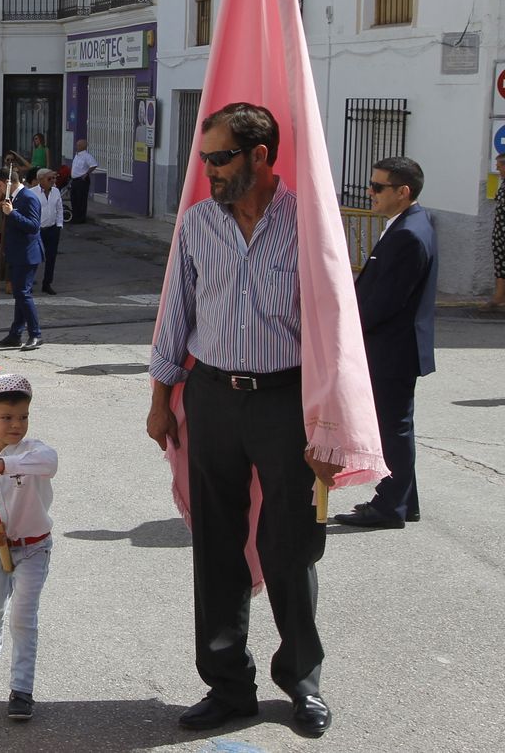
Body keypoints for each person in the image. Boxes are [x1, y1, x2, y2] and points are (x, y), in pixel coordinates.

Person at [146, 102, 336, 737]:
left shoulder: (308, 223)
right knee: (218, 545)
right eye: (203, 160)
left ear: (260, 155)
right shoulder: (199, 224)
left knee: (291, 546)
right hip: (214, 397)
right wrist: (159, 397)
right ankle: (228, 686)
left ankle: (301, 680)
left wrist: (331, 422)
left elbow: (333, 330)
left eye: (219, 159)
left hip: (286, 401)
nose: (208, 173)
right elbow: (176, 310)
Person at [334, 157, 436, 530]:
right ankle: (403, 501)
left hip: (392, 348)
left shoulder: (408, 233)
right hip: (397, 346)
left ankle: (390, 506)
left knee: (392, 428)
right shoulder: (409, 223)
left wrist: (345, 333)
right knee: (395, 426)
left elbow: (385, 300)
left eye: (377, 187)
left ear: (402, 192)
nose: (369, 193)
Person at [0, 372, 59, 723]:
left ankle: (22, 689)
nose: (16, 425)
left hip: (34, 548)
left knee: (24, 618)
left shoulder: (33, 451)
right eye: (6, 417)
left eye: (23, 417)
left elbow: (50, 463)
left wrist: (3, 465)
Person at [0, 169, 43, 351]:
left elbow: (34, 226)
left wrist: (12, 213)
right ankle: (15, 334)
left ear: (7, 182)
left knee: (23, 293)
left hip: (27, 254)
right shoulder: (13, 198)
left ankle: (35, 334)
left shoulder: (28, 197)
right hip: (16, 253)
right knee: (19, 294)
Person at [37, 169, 64, 295]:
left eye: (54, 178)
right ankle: (29, 282)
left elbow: (59, 209)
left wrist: (59, 225)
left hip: (52, 229)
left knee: (51, 257)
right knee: (34, 257)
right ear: (41, 179)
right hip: (37, 230)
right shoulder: (33, 193)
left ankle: (47, 283)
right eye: (50, 179)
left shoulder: (56, 191)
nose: (53, 181)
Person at [69, 138, 98, 224]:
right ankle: (75, 216)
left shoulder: (87, 156)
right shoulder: (77, 155)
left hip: (82, 180)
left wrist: (86, 174)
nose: (76, 146)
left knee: (81, 200)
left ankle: (80, 218)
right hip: (74, 180)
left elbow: (94, 165)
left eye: (79, 145)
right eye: (77, 145)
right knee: (74, 199)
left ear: (83, 146)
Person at [490, 153, 505, 309]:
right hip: (500, 232)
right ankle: (499, 297)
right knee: (500, 264)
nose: (497, 169)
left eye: (499, 166)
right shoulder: (503, 183)